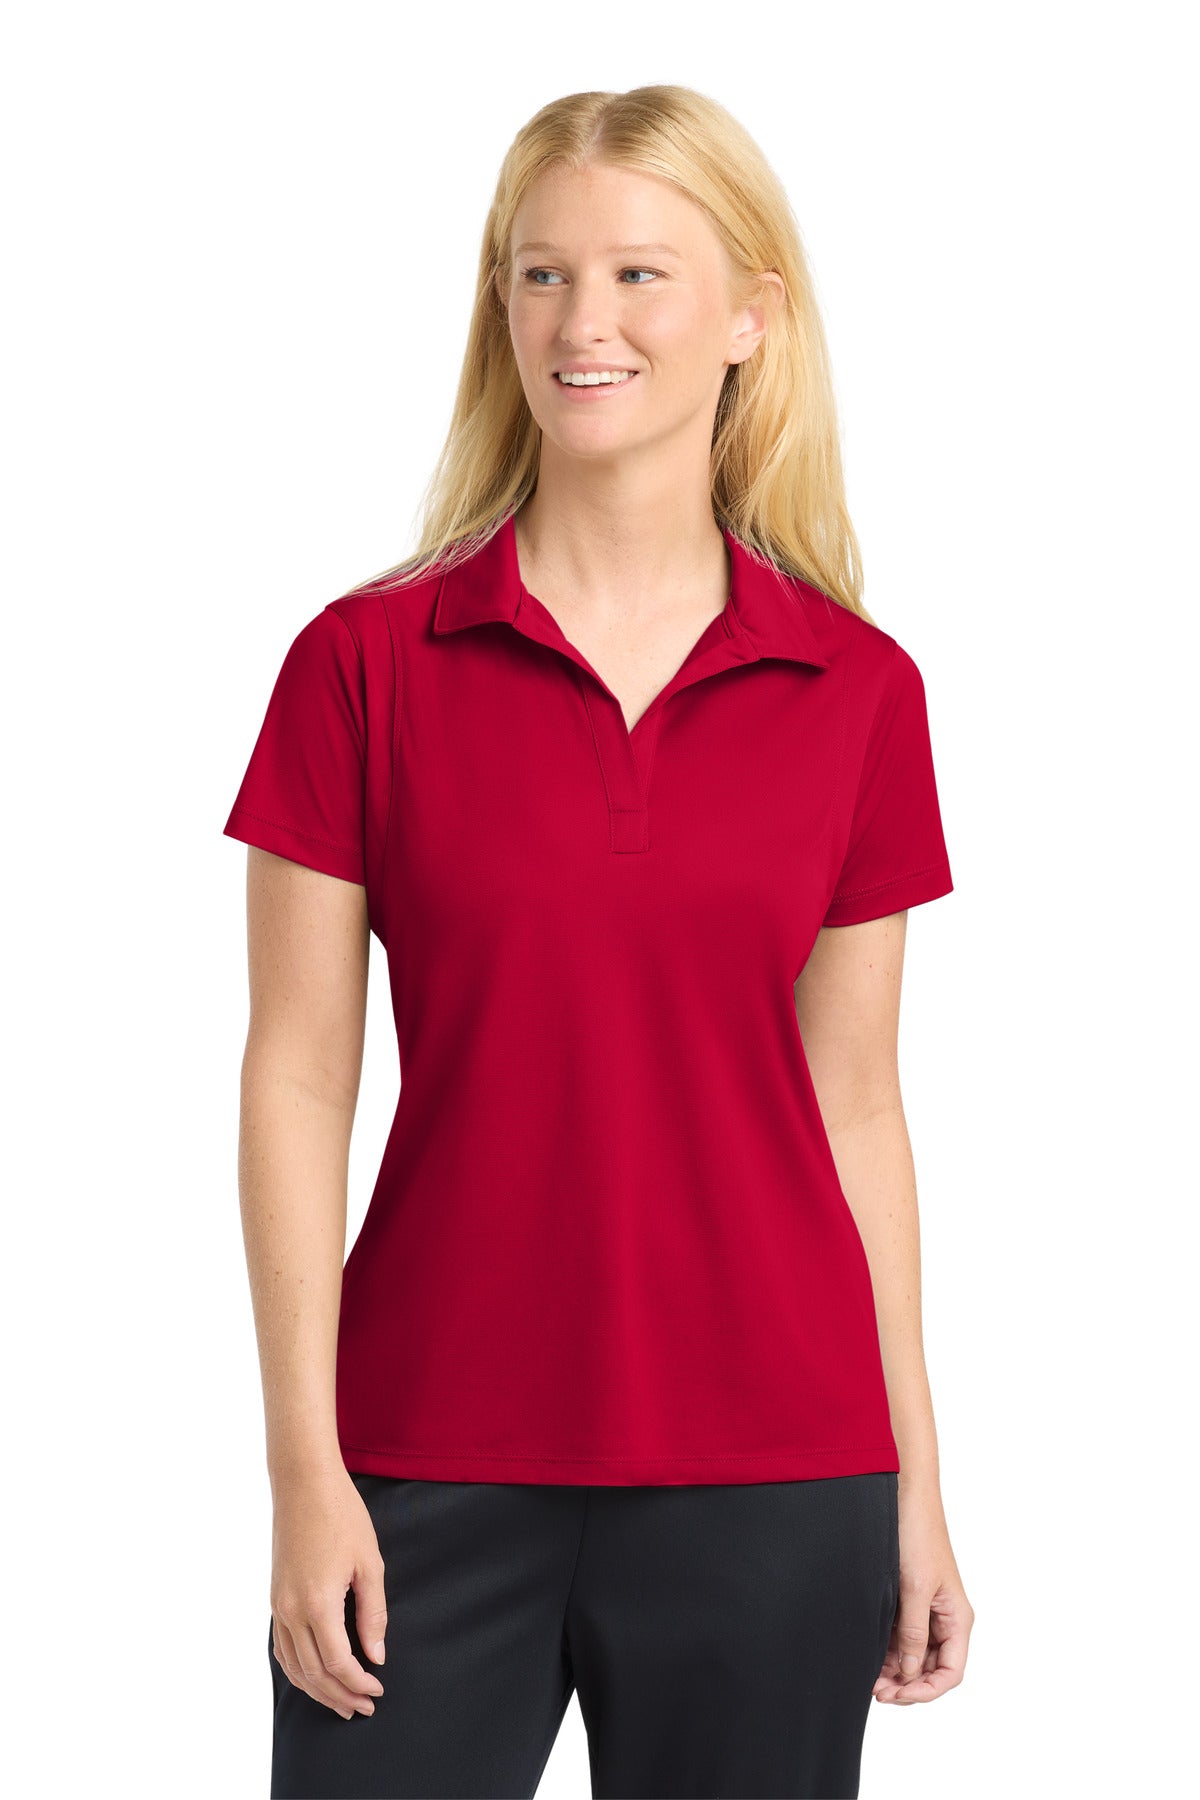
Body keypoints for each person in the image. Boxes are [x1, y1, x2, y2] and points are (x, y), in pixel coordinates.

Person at [223, 83, 974, 1800]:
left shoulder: (858, 692)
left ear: (750, 318)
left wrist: (919, 1481)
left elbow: (858, 1108)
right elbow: (296, 1081)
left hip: (776, 1472)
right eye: (543, 274)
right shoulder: (362, 666)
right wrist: (302, 1471)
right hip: (421, 1460)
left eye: (641, 274)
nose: (584, 323)